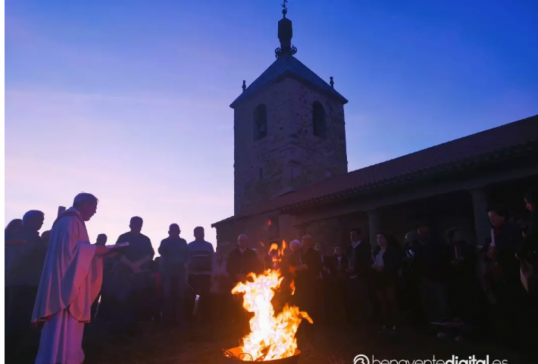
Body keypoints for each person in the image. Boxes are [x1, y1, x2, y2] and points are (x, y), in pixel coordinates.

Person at [32, 193, 112, 364]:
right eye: (93, 207)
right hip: (65, 288)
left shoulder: (72, 222)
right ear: (83, 203)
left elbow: (76, 250)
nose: (94, 212)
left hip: (67, 283)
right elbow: (69, 252)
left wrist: (95, 253)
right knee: (61, 331)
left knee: (67, 333)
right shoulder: (70, 222)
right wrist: (96, 250)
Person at [5, 211, 47, 361]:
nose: (42, 222)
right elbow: (24, 255)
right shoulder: (26, 235)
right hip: (25, 284)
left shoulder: (20, 234)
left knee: (17, 320)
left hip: (20, 283)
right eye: (40, 219)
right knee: (18, 321)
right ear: (30, 220)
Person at [114, 217, 155, 332]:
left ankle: (136, 327)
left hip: (140, 275)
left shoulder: (145, 239)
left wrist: (138, 264)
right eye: (135, 223)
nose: (137, 226)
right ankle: (121, 328)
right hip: (124, 274)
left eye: (139, 224)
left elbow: (150, 254)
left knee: (138, 299)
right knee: (123, 299)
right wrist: (131, 265)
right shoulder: (123, 237)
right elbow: (117, 253)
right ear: (130, 224)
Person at [158, 224, 189, 328]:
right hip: (167, 273)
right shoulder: (165, 242)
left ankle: (180, 321)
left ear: (179, 232)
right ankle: (166, 322)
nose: (175, 233)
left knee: (180, 296)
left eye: (176, 231)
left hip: (179, 273)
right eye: (172, 231)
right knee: (167, 296)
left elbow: (188, 256)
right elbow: (160, 251)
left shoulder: (183, 242)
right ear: (169, 232)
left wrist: (186, 264)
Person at [372, 233, 402, 332]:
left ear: (386, 239)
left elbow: (394, 264)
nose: (379, 240)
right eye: (377, 238)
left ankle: (395, 322)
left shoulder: (391, 250)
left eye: (381, 238)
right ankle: (386, 322)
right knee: (382, 301)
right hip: (378, 278)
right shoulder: (376, 251)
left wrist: (384, 269)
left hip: (388, 277)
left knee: (391, 300)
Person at [345, 228, 373, 327]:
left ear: (358, 235)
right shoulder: (350, 248)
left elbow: (365, 261)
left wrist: (356, 269)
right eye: (350, 234)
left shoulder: (364, 247)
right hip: (351, 277)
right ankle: (357, 320)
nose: (352, 236)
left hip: (361, 276)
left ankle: (367, 319)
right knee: (354, 298)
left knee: (363, 297)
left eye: (353, 234)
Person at [187, 226, 215, 324]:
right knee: (192, 297)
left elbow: (213, 260)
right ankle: (191, 318)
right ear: (194, 234)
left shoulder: (209, 246)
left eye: (202, 232)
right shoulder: (190, 246)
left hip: (206, 275)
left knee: (206, 297)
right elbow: (186, 261)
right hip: (194, 275)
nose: (200, 234)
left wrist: (213, 274)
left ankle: (205, 318)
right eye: (198, 232)